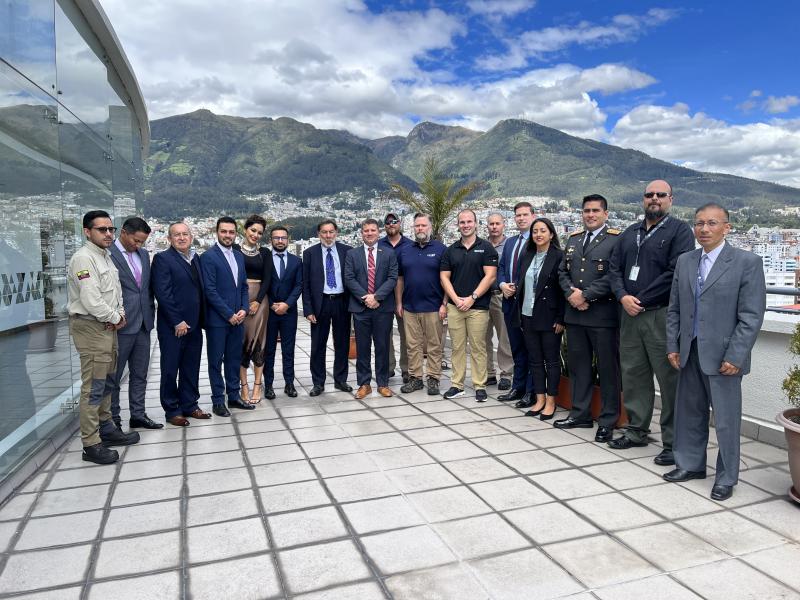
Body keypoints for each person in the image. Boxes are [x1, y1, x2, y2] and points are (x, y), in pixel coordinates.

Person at [664, 203, 766, 501]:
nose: (704, 229)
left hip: (724, 357)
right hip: (690, 350)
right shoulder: (685, 261)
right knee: (689, 414)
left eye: (711, 223)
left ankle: (726, 477)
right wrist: (673, 344)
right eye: (699, 223)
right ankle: (691, 464)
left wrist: (736, 355)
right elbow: (675, 309)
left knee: (726, 419)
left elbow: (751, 316)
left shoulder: (747, 262)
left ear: (727, 227)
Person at [607, 180, 695, 464]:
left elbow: (675, 272)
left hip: (659, 314)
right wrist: (622, 297)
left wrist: (639, 299)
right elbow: (614, 269)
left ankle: (672, 442)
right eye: (649, 195)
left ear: (671, 199)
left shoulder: (680, 231)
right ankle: (636, 430)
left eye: (660, 195)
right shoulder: (629, 233)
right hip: (629, 315)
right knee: (633, 375)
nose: (654, 199)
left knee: (669, 380)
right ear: (642, 199)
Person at [68, 210, 139, 464]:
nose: (108, 234)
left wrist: (118, 313)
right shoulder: (83, 259)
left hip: (108, 328)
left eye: (110, 229)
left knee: (108, 381)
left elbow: (115, 293)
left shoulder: (105, 257)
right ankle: (91, 443)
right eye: (102, 229)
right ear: (87, 231)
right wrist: (115, 316)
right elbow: (90, 299)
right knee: (93, 387)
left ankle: (107, 429)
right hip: (92, 329)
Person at [555, 195, 621, 442]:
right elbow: (563, 271)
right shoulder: (574, 239)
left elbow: (615, 275)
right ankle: (580, 414)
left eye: (595, 211)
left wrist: (586, 296)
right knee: (578, 367)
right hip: (575, 315)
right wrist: (571, 294)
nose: (590, 215)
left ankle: (607, 420)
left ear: (605, 213)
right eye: (586, 211)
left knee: (607, 370)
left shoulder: (615, 240)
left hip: (602, 315)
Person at [151, 222, 211, 426]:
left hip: (194, 325)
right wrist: (177, 320)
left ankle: (190, 404)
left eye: (185, 234)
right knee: (170, 368)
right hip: (173, 326)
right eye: (177, 235)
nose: (182, 238)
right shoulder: (162, 259)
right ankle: (172, 409)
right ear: (169, 239)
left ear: (191, 237)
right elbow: (163, 293)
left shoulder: (196, 259)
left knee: (191, 367)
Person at [108, 217, 161, 430]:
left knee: (140, 374)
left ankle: (138, 414)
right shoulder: (108, 254)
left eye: (142, 242)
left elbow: (145, 289)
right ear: (124, 232)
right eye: (136, 240)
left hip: (143, 324)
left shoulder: (143, 255)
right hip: (121, 324)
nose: (138, 245)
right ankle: (113, 419)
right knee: (114, 376)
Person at [440, 209, 498, 402]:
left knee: (478, 347)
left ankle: (479, 385)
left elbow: (490, 276)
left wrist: (472, 297)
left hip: (478, 307)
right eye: (462, 222)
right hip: (455, 307)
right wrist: (456, 299)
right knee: (456, 347)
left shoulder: (487, 248)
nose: (465, 225)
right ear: (458, 225)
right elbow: (444, 277)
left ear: (476, 223)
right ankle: (457, 385)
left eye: (469, 221)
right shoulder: (451, 250)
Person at [200, 216, 255, 416]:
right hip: (218, 321)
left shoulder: (239, 256)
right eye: (224, 231)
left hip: (238, 319)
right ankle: (217, 400)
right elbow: (210, 291)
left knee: (233, 359)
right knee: (215, 361)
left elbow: (242, 286)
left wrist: (244, 308)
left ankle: (233, 396)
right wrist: (228, 314)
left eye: (231, 232)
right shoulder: (208, 257)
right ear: (217, 232)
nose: (228, 235)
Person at [512, 217, 565, 420]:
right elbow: (522, 285)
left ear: (551, 233)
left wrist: (561, 318)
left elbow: (563, 289)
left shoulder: (559, 256)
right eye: (535, 231)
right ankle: (540, 398)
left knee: (551, 361)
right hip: (527, 315)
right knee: (535, 360)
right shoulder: (527, 255)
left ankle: (551, 401)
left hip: (550, 316)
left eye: (543, 230)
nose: (538, 234)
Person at [344, 218, 399, 399]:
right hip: (361, 309)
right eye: (366, 230)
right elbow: (349, 279)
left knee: (382, 347)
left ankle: (382, 383)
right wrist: (366, 298)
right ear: (361, 233)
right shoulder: (352, 254)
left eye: (372, 230)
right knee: (363, 347)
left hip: (382, 308)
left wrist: (376, 297)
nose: (369, 233)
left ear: (379, 232)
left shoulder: (389, 253)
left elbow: (392, 278)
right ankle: (364, 384)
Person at [394, 213, 448, 395]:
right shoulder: (405, 250)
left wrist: (445, 303)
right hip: (409, 307)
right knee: (413, 345)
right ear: (413, 228)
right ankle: (415, 378)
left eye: (423, 226)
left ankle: (433, 378)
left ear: (430, 228)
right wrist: (399, 302)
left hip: (434, 307)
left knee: (434, 345)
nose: (420, 229)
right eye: (417, 226)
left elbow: (447, 279)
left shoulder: (441, 249)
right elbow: (400, 279)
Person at [302, 219, 353, 396]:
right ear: (319, 234)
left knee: (342, 343)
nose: (328, 235)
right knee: (318, 345)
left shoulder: (347, 251)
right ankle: (318, 383)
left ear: (336, 233)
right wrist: (308, 309)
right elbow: (305, 284)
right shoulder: (309, 253)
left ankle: (340, 380)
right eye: (324, 232)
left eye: (331, 232)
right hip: (320, 303)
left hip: (342, 302)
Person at [497, 202, 535, 402]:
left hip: (528, 304)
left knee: (530, 349)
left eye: (524, 215)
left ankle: (530, 391)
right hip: (509, 302)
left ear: (533, 216)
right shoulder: (511, 242)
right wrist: (502, 284)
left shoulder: (537, 241)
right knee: (516, 348)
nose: (521, 218)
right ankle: (517, 387)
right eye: (518, 215)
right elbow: (502, 267)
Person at [264, 225, 302, 400]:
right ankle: (269, 385)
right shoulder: (264, 259)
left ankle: (289, 384)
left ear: (288, 239)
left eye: (283, 238)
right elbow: (262, 285)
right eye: (276, 238)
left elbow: (298, 285)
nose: (280, 241)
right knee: (268, 350)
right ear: (271, 240)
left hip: (289, 312)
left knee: (288, 349)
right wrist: (272, 304)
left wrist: (287, 304)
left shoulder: (296, 261)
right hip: (269, 312)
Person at [238, 215, 272, 404]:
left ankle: (258, 385)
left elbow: (267, 279)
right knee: (242, 343)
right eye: (253, 230)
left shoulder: (265, 253)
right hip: (240, 299)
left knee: (260, 341)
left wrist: (258, 301)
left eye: (260, 232)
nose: (256, 235)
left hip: (260, 301)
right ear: (245, 229)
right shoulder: (235, 250)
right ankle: (244, 387)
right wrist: (243, 302)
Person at [379, 212, 412, 382]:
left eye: (394, 221)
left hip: (406, 295)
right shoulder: (378, 245)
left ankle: (407, 369)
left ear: (400, 224)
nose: (391, 224)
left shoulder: (411, 245)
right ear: (384, 226)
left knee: (406, 333)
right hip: (383, 295)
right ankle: (388, 367)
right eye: (387, 222)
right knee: (384, 333)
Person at [485, 212, 514, 390]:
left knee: (504, 337)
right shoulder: (481, 245)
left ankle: (506, 374)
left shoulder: (510, 245)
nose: (494, 227)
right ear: (486, 226)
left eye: (497, 223)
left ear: (503, 224)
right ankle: (488, 373)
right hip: (481, 297)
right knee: (482, 337)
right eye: (491, 224)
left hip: (501, 296)